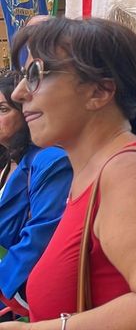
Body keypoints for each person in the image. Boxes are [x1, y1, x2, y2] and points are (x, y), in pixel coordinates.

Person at [11, 17, 136, 328]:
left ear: (99, 93)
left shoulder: (127, 171)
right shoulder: (98, 170)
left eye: (36, 74)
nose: (19, 93)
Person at [0, 74, 72, 318]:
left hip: (25, 288)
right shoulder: (11, 158)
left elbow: (42, 233)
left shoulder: (50, 159)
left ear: (26, 112)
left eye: (2, 109)